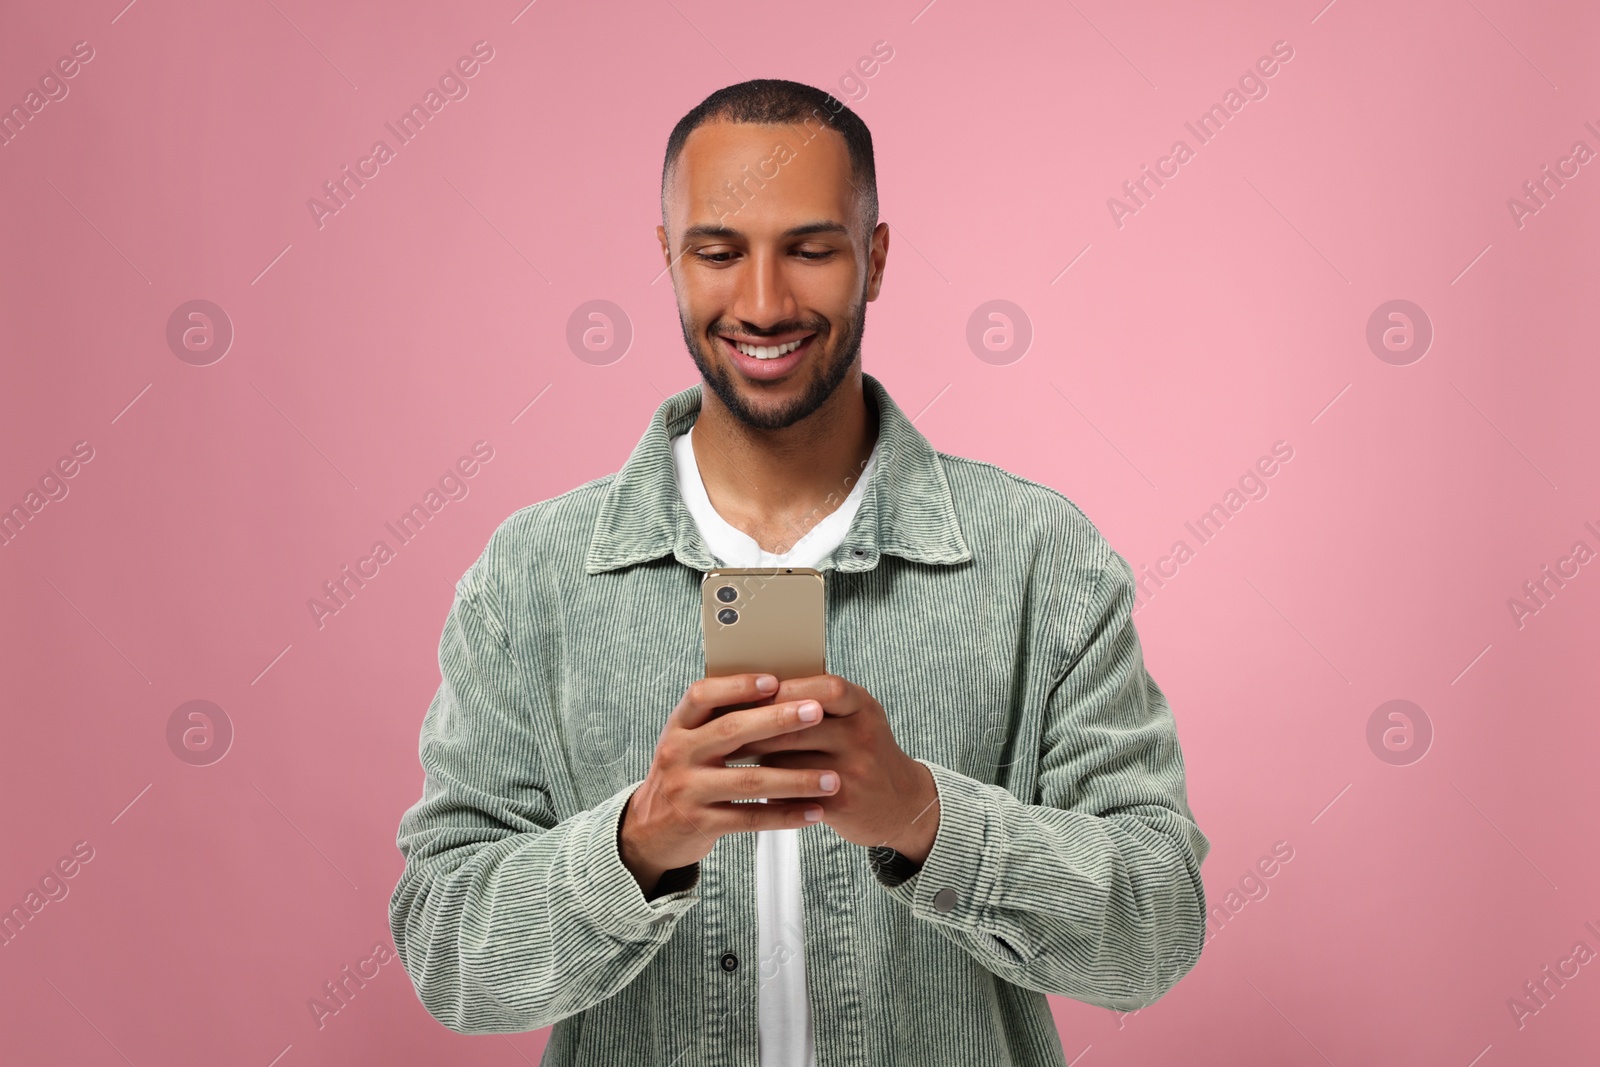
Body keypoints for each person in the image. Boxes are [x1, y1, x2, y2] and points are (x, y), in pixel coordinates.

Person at [390, 78, 1209, 1067]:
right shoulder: (531, 580)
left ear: (873, 259)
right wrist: (634, 846)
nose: (764, 302)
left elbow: (1156, 926)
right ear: (668, 259)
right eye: (719, 252)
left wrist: (924, 816)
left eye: (811, 249)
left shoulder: (1041, 559)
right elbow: (445, 950)